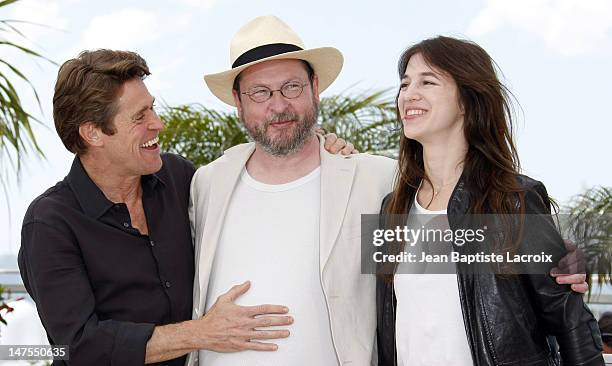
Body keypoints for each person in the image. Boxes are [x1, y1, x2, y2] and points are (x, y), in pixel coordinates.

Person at [187, 16, 590, 366]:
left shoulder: (386, 182)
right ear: (238, 102)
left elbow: (560, 311)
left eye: (291, 86)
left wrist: (558, 254)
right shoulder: (208, 183)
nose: (279, 104)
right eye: (261, 92)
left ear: (314, 88)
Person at [17, 49, 352, 365]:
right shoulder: (49, 223)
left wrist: (320, 151)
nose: (157, 123)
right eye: (140, 116)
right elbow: (78, 346)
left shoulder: (180, 178)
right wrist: (201, 332)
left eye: (152, 107)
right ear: (93, 133)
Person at [375, 36, 604, 365]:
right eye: (405, 83)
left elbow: (570, 321)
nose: (408, 94)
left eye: (428, 81)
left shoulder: (513, 201)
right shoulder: (392, 209)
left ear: (467, 100)